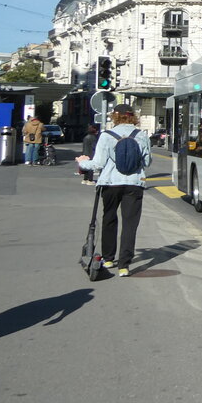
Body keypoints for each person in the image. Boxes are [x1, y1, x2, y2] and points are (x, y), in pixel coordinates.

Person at [75, 104, 152, 277]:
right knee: (130, 224)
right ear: (133, 117)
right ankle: (124, 266)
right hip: (134, 184)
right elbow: (147, 162)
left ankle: (109, 258)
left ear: (115, 116)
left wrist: (81, 162)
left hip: (110, 183)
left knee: (109, 218)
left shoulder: (106, 136)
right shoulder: (141, 135)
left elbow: (98, 164)